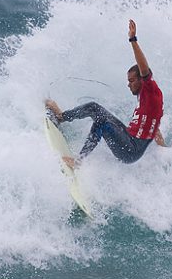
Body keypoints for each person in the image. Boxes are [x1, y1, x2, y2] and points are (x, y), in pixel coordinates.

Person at [45, 19, 165, 169]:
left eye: (132, 80)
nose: (129, 84)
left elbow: (144, 68)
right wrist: (162, 147)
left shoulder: (150, 89)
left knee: (102, 122)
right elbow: (154, 123)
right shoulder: (148, 99)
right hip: (127, 137)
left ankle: (78, 162)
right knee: (94, 107)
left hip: (131, 150)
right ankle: (61, 117)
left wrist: (133, 40)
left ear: (142, 79)